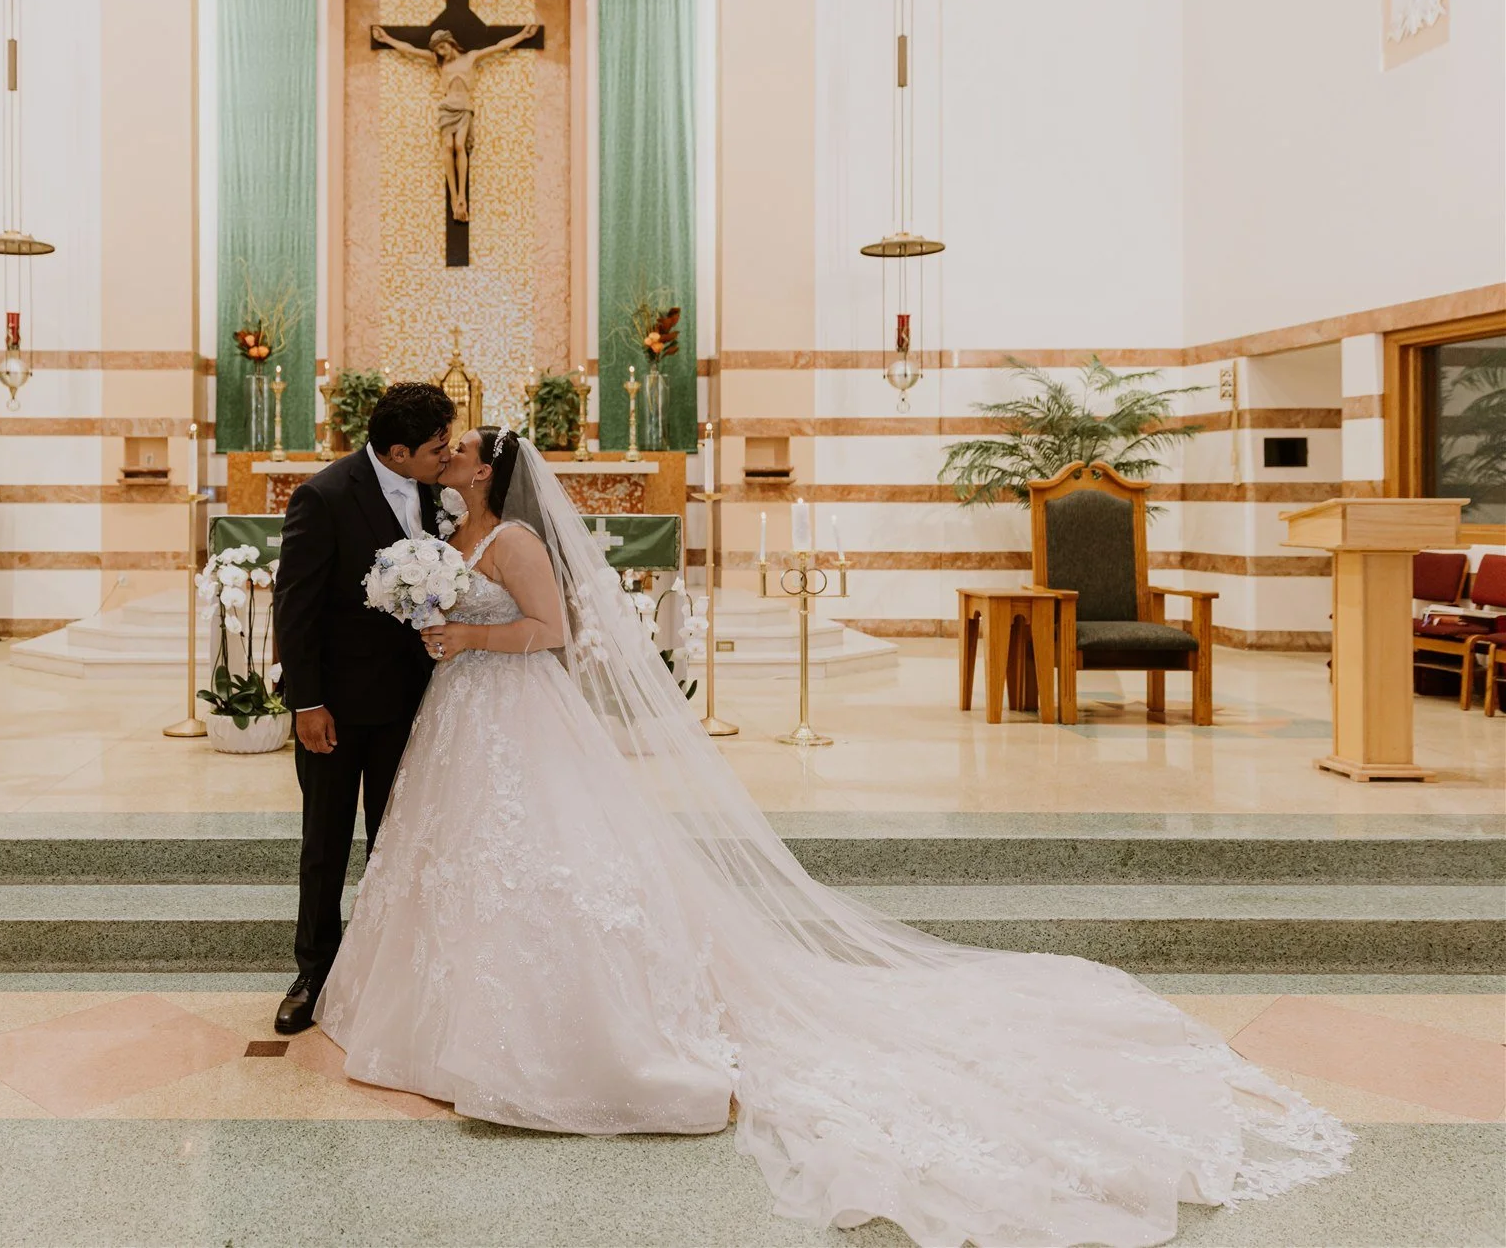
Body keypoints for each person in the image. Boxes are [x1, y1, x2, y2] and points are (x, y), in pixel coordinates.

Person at [315, 426, 1352, 1248]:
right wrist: (434, 624)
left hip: (515, 720)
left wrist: (466, 634)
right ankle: (445, 1015)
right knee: (462, 870)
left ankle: (559, 1027)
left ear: (491, 468)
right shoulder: (449, 540)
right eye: (440, 447)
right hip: (465, 729)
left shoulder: (517, 540)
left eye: (458, 447)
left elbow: (554, 636)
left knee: (543, 871)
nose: (444, 455)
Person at [269, 382, 455, 1035]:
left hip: (412, 702)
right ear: (398, 452)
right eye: (438, 446)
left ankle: (384, 971)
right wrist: (307, 701)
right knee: (325, 842)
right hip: (338, 707)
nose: (449, 454)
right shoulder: (323, 496)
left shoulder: (441, 493)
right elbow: (294, 607)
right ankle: (313, 969)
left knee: (394, 838)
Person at [370, 22, 537, 221]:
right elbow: (411, 50)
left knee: (460, 146)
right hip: (446, 109)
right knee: (448, 146)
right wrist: (386, 39)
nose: (441, 52)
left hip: (464, 108)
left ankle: (461, 198)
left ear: (450, 43)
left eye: (442, 47)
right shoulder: (440, 63)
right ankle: (453, 197)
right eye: (438, 50)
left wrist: (522, 35)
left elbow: (499, 46)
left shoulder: (471, 57)